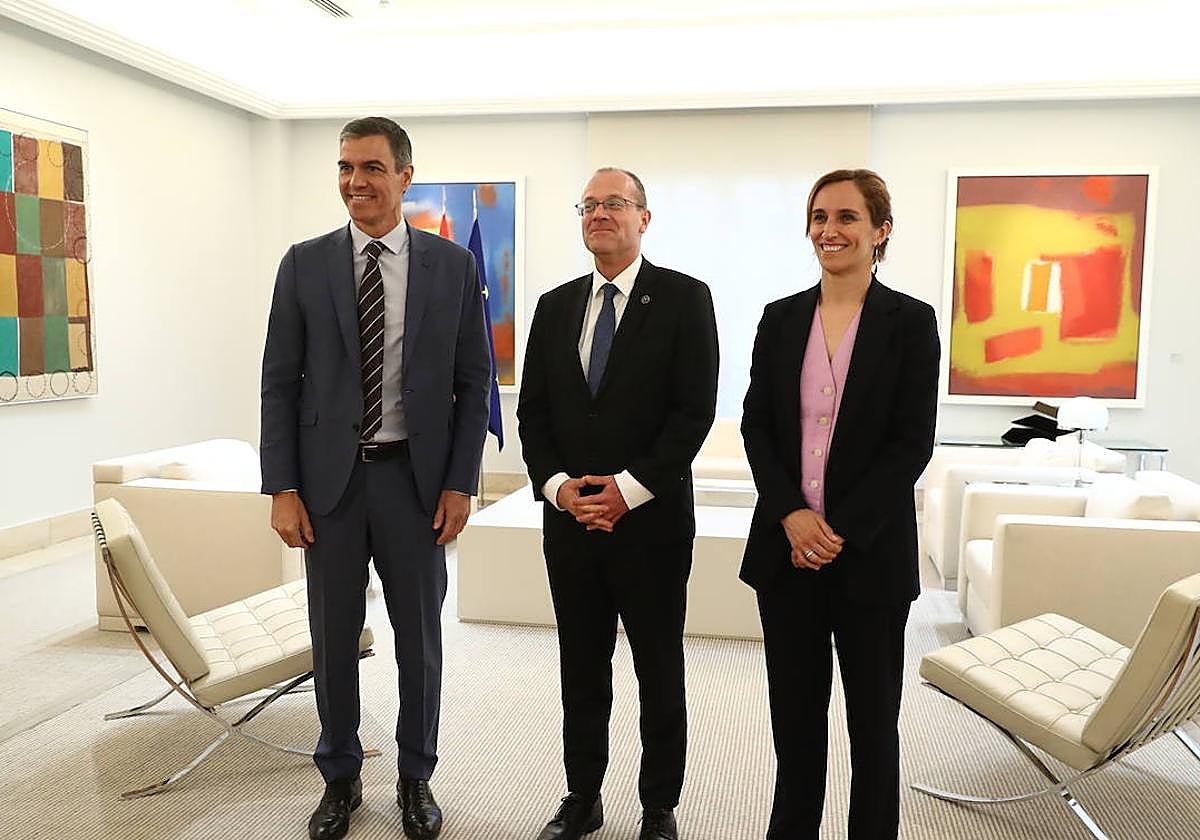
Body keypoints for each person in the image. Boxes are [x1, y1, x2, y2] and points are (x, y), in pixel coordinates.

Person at [260, 116, 492, 840]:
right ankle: (340, 779)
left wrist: (461, 483)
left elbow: (472, 379)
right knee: (332, 640)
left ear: (404, 176)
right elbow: (279, 383)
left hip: (415, 484)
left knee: (419, 638)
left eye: (369, 167)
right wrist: (282, 487)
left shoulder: (452, 266)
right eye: (343, 168)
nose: (354, 182)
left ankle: (416, 777)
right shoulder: (304, 263)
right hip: (329, 487)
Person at [517, 168, 719, 840]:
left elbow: (693, 414)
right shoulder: (553, 305)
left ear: (644, 218)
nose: (600, 214)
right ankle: (583, 796)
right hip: (570, 522)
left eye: (616, 204)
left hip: (652, 523)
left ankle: (659, 806)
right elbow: (532, 415)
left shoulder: (687, 299)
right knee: (581, 665)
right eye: (590, 204)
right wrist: (557, 487)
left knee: (658, 666)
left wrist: (627, 492)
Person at [739, 169, 939, 840]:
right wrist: (793, 515)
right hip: (784, 553)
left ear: (880, 231)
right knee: (795, 726)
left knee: (872, 728)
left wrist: (839, 530)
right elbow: (757, 427)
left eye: (848, 217)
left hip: (872, 559)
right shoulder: (780, 318)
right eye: (820, 216)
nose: (831, 230)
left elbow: (911, 445)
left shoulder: (911, 323)